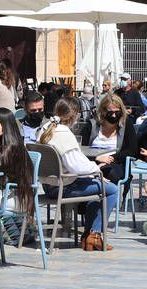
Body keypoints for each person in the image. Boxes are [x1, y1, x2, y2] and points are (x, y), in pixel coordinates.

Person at [37, 97, 118, 251]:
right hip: (63, 187)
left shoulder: (45, 128)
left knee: (99, 188)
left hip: (48, 185)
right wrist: (96, 169)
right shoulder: (64, 133)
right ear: (75, 115)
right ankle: (94, 235)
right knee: (112, 190)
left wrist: (92, 170)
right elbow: (76, 165)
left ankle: (90, 234)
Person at [0, 108, 36, 226]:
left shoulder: (13, 148)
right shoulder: (0, 145)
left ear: (2, 127)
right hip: (3, 193)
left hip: (15, 197)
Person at [90, 94, 139, 186]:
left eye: (117, 112)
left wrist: (109, 159)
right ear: (103, 111)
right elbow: (81, 149)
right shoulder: (92, 125)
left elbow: (132, 150)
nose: (113, 116)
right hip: (92, 162)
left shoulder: (126, 124)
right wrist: (95, 159)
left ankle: (106, 197)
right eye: (110, 112)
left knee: (110, 173)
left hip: (116, 163)